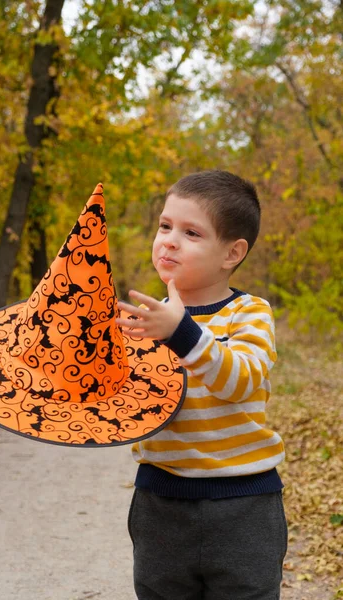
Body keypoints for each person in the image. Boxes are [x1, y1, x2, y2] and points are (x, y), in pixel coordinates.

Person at [116, 169, 288, 600]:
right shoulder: (139, 322)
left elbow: (242, 380)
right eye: (164, 226)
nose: (169, 240)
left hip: (243, 505)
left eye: (191, 232)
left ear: (232, 252)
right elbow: (119, 403)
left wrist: (181, 333)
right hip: (159, 500)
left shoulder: (249, 312)